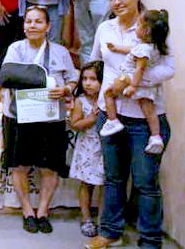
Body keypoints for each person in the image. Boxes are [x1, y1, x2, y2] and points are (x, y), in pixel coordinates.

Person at [85, 0, 174, 249]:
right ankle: (110, 232)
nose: (117, 2)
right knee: (113, 178)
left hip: (145, 120)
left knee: (146, 182)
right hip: (111, 115)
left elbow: (169, 68)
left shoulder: (152, 26)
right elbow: (96, 62)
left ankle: (150, 240)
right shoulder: (105, 28)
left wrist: (134, 82)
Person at [0, 6, 78, 234]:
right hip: (19, 116)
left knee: (49, 166)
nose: (32, 26)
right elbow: (7, 77)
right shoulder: (16, 49)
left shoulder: (60, 52)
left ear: (48, 26)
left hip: (51, 118)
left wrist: (65, 89)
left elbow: (73, 79)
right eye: (29, 21)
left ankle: (43, 211)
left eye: (38, 22)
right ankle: (27, 211)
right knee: (20, 165)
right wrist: (44, 82)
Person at [100, 10, 170, 155]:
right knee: (149, 109)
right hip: (148, 86)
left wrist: (133, 85)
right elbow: (133, 50)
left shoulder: (142, 49)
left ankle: (112, 121)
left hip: (129, 77)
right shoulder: (153, 47)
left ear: (146, 30)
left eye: (138, 25)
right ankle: (155, 136)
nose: (136, 28)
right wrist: (117, 48)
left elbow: (140, 68)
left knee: (108, 93)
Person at [69, 61, 104, 238]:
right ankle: (86, 217)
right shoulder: (80, 101)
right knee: (87, 183)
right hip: (87, 147)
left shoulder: (108, 99)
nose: (88, 83)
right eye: (84, 79)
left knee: (106, 184)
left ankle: (104, 219)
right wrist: (90, 119)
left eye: (93, 79)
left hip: (105, 147)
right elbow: (74, 124)